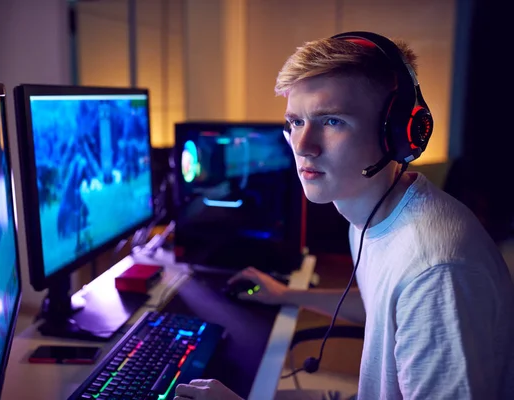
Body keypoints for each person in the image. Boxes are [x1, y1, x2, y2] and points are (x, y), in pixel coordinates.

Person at [174, 31, 514, 400]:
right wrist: (286, 294)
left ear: (398, 134)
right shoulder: (373, 212)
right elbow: (382, 307)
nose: (303, 147)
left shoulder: (437, 274)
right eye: (296, 122)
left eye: (332, 121)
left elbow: (414, 296)